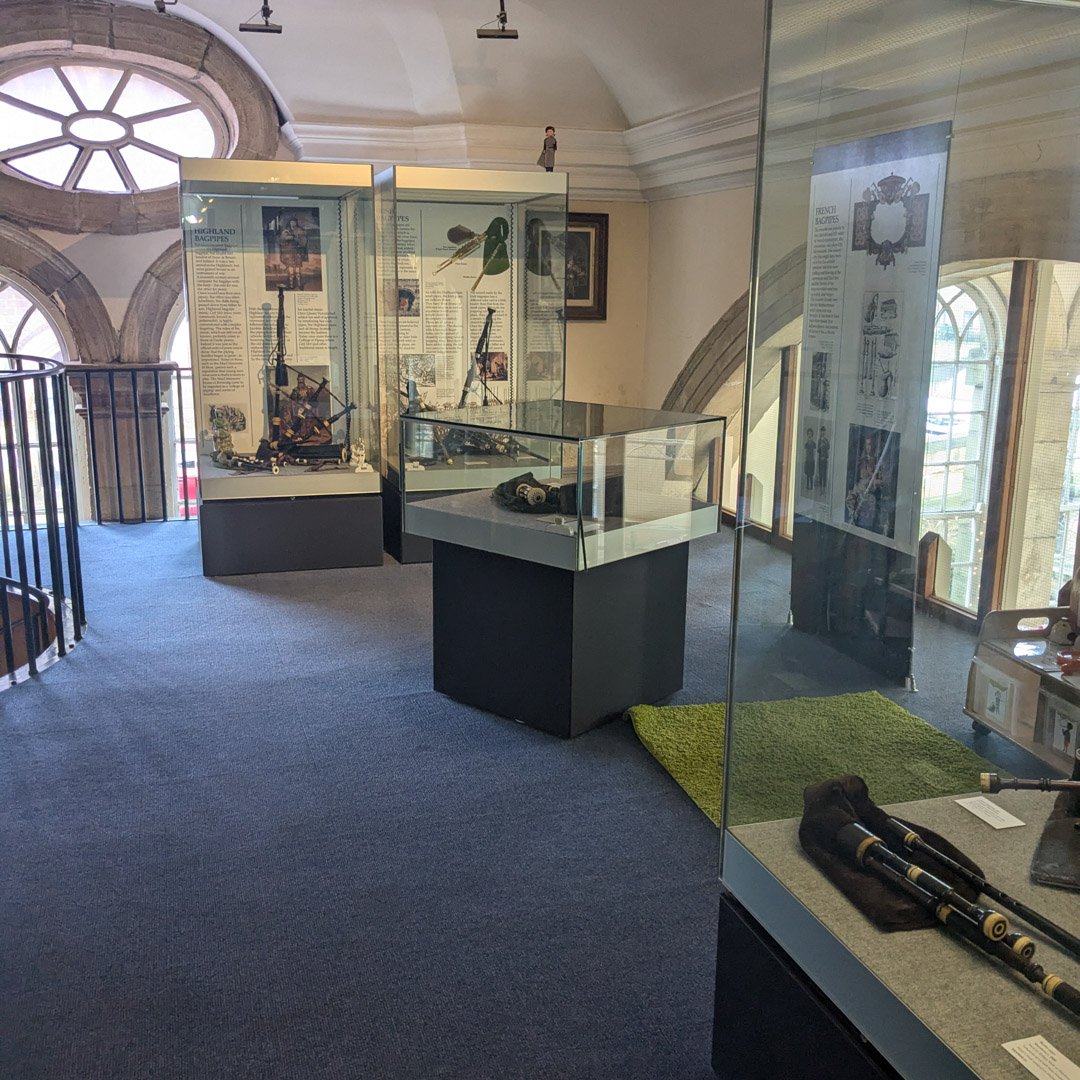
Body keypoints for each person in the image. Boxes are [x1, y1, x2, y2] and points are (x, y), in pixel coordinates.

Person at [278, 216, 309, 289]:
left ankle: (299, 284)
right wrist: (288, 238)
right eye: (291, 222)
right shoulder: (286, 231)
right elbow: (282, 240)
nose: (293, 223)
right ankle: (291, 285)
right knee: (291, 270)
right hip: (289, 253)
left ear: (296, 223)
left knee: (298, 270)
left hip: (297, 252)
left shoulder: (299, 230)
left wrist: (299, 239)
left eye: (294, 222)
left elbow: (304, 240)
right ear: (289, 223)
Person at [803, 428, 816, 492]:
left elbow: (814, 449)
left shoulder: (813, 443)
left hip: (811, 460)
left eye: (810, 433)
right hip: (807, 460)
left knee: (811, 474)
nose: (809, 435)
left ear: (812, 434)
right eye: (808, 434)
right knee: (808, 474)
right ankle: (807, 486)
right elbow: (805, 448)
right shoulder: (807, 443)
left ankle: (811, 486)